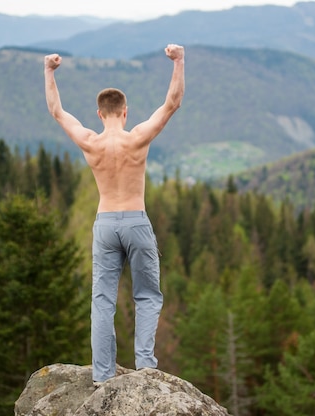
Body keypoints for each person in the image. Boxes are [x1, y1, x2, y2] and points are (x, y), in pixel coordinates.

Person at [44, 44, 185, 384]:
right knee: (147, 294)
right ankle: (146, 367)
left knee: (103, 300)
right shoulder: (137, 138)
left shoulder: (91, 142)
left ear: (98, 114)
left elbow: (58, 112)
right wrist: (179, 61)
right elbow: (172, 103)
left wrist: (48, 71)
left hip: (105, 223)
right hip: (136, 219)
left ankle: (103, 376)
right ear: (125, 113)